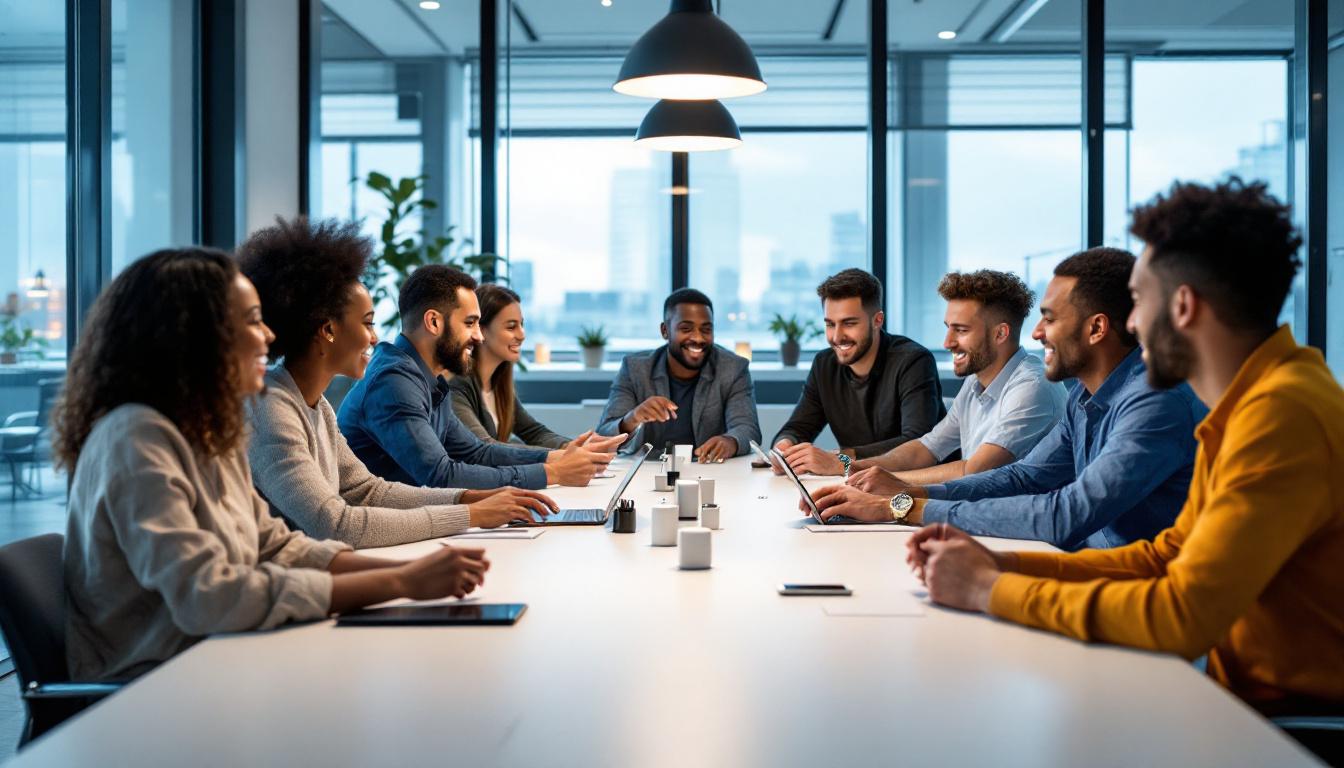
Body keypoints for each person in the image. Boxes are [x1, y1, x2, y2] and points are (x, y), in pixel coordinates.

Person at [908, 178, 1344, 717]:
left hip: (1278, 720)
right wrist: (1005, 568)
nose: (1132, 324)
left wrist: (988, 590)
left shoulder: (1281, 415)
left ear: (1182, 306)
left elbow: (1181, 615)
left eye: (1138, 303)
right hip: (1226, 688)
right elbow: (1166, 557)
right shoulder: (1247, 404)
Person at [56, 248, 491, 682]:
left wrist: (408, 574)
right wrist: (400, 584)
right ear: (195, 334)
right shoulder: (138, 439)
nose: (267, 335)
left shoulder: (207, 433)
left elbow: (276, 546)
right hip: (153, 687)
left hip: (215, 657)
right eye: (250, 320)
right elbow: (211, 597)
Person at [810, 248, 1204, 551]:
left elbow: (1065, 514)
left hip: (1139, 596)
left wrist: (900, 506)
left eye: (1050, 319)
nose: (1036, 333)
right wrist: (904, 495)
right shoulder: (1083, 396)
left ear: (1096, 328)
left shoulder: (1154, 403)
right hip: (1089, 566)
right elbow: (1022, 477)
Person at [239, 218, 558, 548]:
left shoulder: (318, 407)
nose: (375, 338)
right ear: (328, 330)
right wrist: (471, 514)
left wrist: (471, 499)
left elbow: (366, 490)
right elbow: (334, 524)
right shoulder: (271, 410)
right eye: (367, 323)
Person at [337, 265, 623, 491]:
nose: (478, 335)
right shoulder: (394, 382)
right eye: (470, 323)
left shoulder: (428, 379)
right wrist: (553, 473)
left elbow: (477, 452)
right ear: (434, 322)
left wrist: (556, 457)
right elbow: (441, 476)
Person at [847, 269, 1064, 490]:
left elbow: (975, 471)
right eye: (948, 328)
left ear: (1000, 334)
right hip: (977, 513)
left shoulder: (1033, 388)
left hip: (1021, 521)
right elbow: (927, 448)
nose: (947, 342)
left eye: (961, 330)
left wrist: (893, 482)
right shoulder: (975, 380)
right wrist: (860, 467)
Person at [771, 268, 943, 476]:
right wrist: (784, 447)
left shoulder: (913, 361)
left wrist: (843, 458)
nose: (837, 336)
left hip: (916, 483)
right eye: (830, 324)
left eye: (849, 324)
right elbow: (798, 427)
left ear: (877, 320)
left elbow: (918, 441)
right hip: (860, 482)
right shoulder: (824, 365)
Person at [596, 288, 761, 463]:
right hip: (646, 471)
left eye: (706, 329)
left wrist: (730, 442)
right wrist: (632, 419)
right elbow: (604, 434)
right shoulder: (636, 368)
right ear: (665, 331)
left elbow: (747, 429)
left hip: (707, 471)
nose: (698, 338)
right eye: (686, 328)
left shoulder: (733, 368)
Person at [448, 284, 570, 449]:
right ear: (480, 330)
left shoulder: (498, 383)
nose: (522, 335)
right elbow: (485, 447)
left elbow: (533, 432)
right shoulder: (456, 384)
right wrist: (561, 456)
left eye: (521, 325)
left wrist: (574, 446)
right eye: (511, 327)